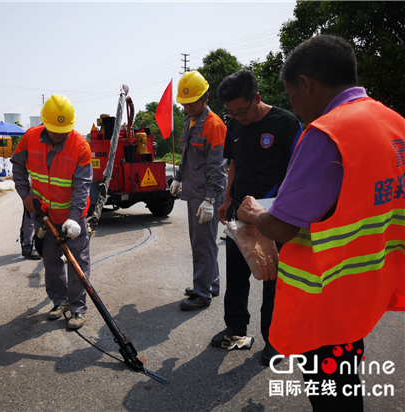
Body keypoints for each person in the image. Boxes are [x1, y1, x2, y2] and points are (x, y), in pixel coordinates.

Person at [237, 35, 404, 411]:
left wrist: (252, 215)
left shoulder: (327, 132)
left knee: (331, 392)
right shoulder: (394, 122)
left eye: (291, 94)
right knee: (347, 381)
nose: (293, 106)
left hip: (329, 295)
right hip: (369, 284)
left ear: (305, 84)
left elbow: (282, 228)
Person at [210, 70, 302, 366]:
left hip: (274, 215)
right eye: (231, 112)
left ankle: (274, 340)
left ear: (257, 98)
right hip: (240, 215)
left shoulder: (285, 123)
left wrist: (277, 209)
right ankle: (236, 329)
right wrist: (227, 201)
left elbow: (297, 170)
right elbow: (235, 164)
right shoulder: (234, 125)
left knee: (273, 278)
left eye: (242, 110)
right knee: (236, 276)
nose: (238, 116)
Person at [11, 95, 92, 330]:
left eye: (64, 130)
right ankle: (60, 301)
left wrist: (75, 218)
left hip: (71, 218)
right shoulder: (30, 137)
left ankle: (77, 308)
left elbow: (82, 186)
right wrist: (25, 194)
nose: (59, 135)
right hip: (43, 216)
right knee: (51, 262)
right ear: (44, 123)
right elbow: (17, 165)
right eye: (55, 130)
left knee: (77, 263)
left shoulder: (80, 146)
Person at [170, 71, 227, 311]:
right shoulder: (189, 121)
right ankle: (210, 284)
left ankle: (202, 294)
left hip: (206, 195)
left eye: (192, 102)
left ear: (204, 97)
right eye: (185, 104)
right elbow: (186, 156)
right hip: (193, 192)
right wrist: (178, 178)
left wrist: (211, 200)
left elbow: (217, 166)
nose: (188, 108)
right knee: (201, 242)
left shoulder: (214, 125)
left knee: (203, 244)